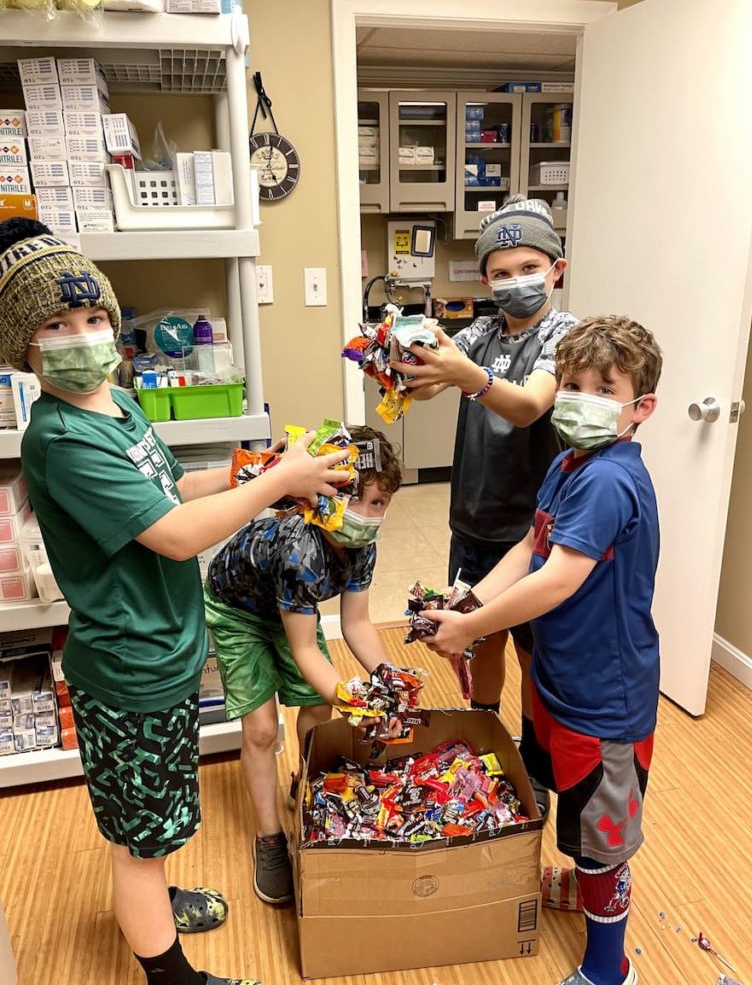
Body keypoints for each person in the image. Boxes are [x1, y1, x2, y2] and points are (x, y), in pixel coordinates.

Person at [0, 218, 349, 985]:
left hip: (163, 651)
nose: (82, 337)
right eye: (55, 326)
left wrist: (251, 470)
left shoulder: (117, 405)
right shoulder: (61, 438)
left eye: (94, 318)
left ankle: (154, 886)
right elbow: (176, 536)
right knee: (139, 842)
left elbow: (172, 489)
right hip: (129, 670)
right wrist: (276, 485)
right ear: (22, 347)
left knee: (151, 818)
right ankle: (171, 974)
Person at [422, 315, 663, 985]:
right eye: (574, 384)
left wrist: (470, 631)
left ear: (640, 407)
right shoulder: (568, 463)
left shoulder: (611, 480)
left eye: (603, 388)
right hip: (558, 682)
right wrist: (471, 601)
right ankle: (581, 881)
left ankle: (609, 968)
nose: (582, 398)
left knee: (604, 841)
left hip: (603, 697)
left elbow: (557, 580)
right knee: (577, 810)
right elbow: (532, 548)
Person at [391, 194, 577, 816]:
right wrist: (398, 362)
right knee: (479, 638)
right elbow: (434, 373)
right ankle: (484, 730)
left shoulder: (566, 336)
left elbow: (528, 405)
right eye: (499, 272)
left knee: (533, 649)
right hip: (472, 516)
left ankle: (534, 755)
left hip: (533, 526)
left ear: (557, 267)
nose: (514, 281)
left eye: (528, 267)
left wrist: (466, 376)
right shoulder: (483, 330)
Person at [204, 426, 402, 905]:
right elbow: (306, 651)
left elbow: (356, 625)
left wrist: (390, 681)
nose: (368, 516)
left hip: (294, 609)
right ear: (326, 493)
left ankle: (305, 783)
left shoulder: (363, 546)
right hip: (240, 612)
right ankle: (270, 839)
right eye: (358, 500)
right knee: (261, 730)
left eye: (379, 504)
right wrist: (356, 699)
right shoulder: (301, 551)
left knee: (318, 705)